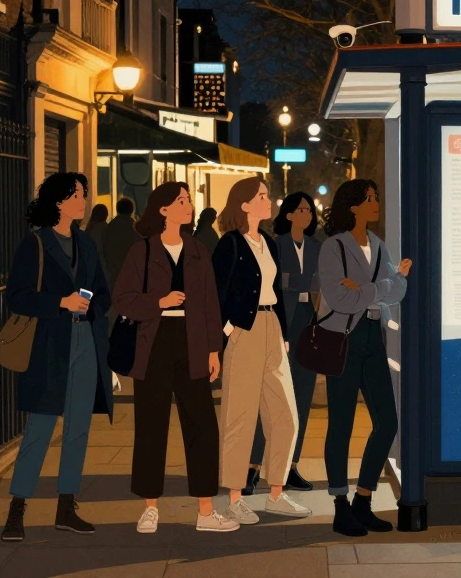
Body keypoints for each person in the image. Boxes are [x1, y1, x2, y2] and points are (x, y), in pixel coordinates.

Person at [113, 182, 236, 534]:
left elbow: (211, 304)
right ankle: (150, 507)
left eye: (189, 201)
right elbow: (123, 299)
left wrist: (214, 350)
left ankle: (206, 509)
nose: (189, 206)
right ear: (163, 209)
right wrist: (159, 302)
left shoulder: (198, 250)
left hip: (194, 344)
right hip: (153, 343)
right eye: (181, 201)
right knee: (151, 425)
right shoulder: (142, 251)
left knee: (202, 425)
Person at [1, 173, 113, 542]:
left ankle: (66, 508)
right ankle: (17, 509)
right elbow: (17, 296)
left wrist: (91, 303)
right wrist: (60, 303)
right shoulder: (35, 244)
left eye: (83, 194)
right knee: (40, 429)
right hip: (49, 343)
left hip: (85, 340)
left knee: (78, 429)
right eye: (77, 195)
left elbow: (102, 290)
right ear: (59, 202)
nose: (83, 200)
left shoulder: (86, 243)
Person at [212, 177, 310, 525]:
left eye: (267, 195)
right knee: (240, 417)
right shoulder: (229, 244)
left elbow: (275, 291)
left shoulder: (267, 240)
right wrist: (227, 334)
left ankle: (276, 493)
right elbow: (216, 295)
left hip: (271, 331)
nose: (269, 201)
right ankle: (235, 499)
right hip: (245, 333)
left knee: (286, 416)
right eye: (263, 196)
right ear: (245, 204)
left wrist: (281, 331)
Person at [318, 179, 412, 536]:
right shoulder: (333, 247)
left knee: (387, 422)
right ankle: (340, 505)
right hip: (342, 337)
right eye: (370, 199)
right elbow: (341, 299)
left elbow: (399, 291)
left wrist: (371, 290)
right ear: (353, 206)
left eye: (375, 197)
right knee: (340, 425)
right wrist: (385, 286)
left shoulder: (377, 244)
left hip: (374, 335)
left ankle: (363, 498)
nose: (376, 203)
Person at [245, 192, 321, 495]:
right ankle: (252, 468)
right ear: (288, 214)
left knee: (301, 398)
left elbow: (319, 282)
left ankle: (290, 466)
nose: (307, 214)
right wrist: (300, 281)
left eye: (310, 210)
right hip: (279, 321)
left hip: (308, 320)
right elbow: (273, 282)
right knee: (268, 397)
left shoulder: (318, 246)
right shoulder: (274, 245)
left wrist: (297, 281)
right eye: (301, 209)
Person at [103, 198, 140, 285]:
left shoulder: (110, 227)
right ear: (132, 210)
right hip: (132, 274)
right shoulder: (135, 228)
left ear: (117, 209)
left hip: (113, 272)